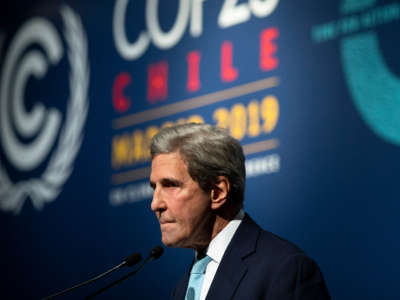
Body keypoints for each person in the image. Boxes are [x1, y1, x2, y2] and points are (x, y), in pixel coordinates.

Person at [149, 123, 330, 300]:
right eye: (154, 188)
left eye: (170, 185)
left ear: (217, 192)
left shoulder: (285, 270)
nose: (155, 204)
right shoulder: (183, 287)